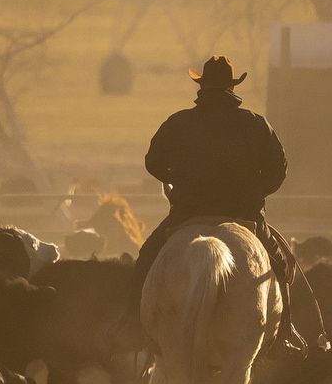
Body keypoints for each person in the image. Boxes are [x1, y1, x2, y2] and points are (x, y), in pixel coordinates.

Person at [128, 55, 308, 348]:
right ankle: (285, 332)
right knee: (279, 264)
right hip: (243, 213)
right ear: (232, 86)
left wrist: (175, 180)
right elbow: (279, 168)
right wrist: (256, 193)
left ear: (201, 86)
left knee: (147, 258)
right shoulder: (255, 123)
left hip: (188, 212)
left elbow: (153, 162)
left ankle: (132, 325)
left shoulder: (178, 122)